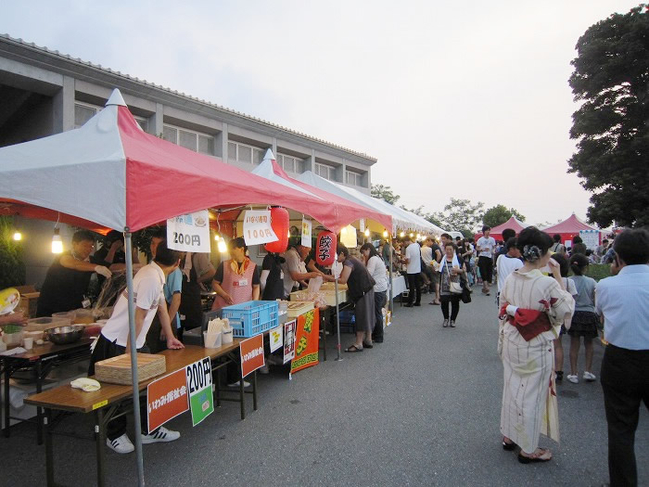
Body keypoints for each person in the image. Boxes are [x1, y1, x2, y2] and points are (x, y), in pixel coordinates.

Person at [89, 239, 184, 454]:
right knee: (116, 391)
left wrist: (169, 337)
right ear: (178, 263)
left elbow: (161, 307)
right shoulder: (151, 277)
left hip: (133, 341)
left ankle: (148, 430)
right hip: (118, 341)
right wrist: (130, 354)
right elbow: (138, 317)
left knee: (147, 386)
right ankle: (113, 435)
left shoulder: (155, 273)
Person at [498, 227, 574, 463]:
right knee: (531, 394)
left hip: (512, 337)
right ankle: (528, 448)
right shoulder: (546, 284)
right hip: (535, 343)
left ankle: (509, 436)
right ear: (542, 254)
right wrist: (558, 276)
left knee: (512, 387)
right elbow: (566, 310)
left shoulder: (512, 278)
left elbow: (503, 307)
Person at [596, 228, 649, 487]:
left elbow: (601, 314)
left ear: (616, 256)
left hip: (620, 360)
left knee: (621, 429)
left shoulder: (606, 285)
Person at [212, 237, 260, 387]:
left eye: (233, 250)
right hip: (225, 310)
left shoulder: (252, 266)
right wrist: (224, 294)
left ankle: (235, 378)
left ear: (241, 249)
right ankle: (216, 381)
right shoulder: (224, 265)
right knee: (221, 345)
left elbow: (256, 286)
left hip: (244, 312)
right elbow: (215, 284)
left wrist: (255, 302)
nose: (231, 254)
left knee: (239, 345)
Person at [36, 230, 113, 317]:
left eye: (91, 246)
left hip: (75, 309)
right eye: (84, 245)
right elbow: (74, 264)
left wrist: (130, 267)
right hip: (51, 308)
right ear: (74, 244)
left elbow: (112, 267)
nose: (88, 249)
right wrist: (96, 267)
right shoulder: (64, 256)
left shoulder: (91, 260)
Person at [566, 253, 599, 384]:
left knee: (574, 345)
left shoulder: (569, 281)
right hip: (589, 314)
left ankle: (573, 373)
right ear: (586, 267)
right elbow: (596, 299)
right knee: (589, 344)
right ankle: (588, 371)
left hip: (575, 314)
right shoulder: (591, 281)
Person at [337, 244, 375, 352]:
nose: (335, 259)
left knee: (362, 314)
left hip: (363, 290)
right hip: (368, 288)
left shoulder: (349, 262)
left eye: (336, 256)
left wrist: (326, 277)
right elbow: (342, 276)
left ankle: (359, 343)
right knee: (367, 314)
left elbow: (343, 279)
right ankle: (368, 339)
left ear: (342, 254)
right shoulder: (351, 259)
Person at [551, 253, 578, 383]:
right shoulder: (569, 281)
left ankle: (550, 370)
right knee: (558, 344)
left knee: (550, 344)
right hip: (563, 316)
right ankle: (559, 371)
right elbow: (573, 298)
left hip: (550, 316)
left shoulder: (548, 281)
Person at [360, 243, 388, 343]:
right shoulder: (377, 257)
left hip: (377, 288)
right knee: (377, 311)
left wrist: (363, 265)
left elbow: (368, 274)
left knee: (376, 312)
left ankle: (378, 336)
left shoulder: (372, 259)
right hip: (381, 287)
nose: (364, 255)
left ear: (368, 249)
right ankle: (377, 335)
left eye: (364, 252)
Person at [437, 242, 466, 328]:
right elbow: (438, 270)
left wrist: (458, 271)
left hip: (455, 284)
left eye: (450, 249)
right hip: (444, 285)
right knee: (444, 302)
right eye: (447, 250)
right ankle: (446, 318)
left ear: (454, 250)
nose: (448, 251)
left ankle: (453, 320)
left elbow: (464, 270)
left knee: (455, 302)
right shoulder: (443, 259)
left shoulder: (459, 259)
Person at [495, 238, 523, 304]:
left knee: (502, 313)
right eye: (519, 249)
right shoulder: (518, 262)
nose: (520, 251)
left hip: (501, 293)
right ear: (511, 249)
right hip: (513, 294)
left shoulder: (500, 258)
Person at [476, 225, 496, 296]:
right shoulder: (480, 239)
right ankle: (487, 288)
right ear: (484, 232)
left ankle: (485, 288)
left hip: (489, 257)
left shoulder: (492, 239)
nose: (488, 232)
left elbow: (494, 247)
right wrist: (483, 249)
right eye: (486, 230)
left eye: (489, 230)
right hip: (482, 257)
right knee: (483, 272)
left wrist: (493, 251)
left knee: (489, 272)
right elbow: (477, 248)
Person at [404, 235, 422, 307]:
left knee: (411, 287)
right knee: (417, 286)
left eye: (404, 242)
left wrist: (403, 261)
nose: (404, 244)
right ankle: (418, 301)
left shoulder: (408, 248)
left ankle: (410, 302)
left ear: (406, 241)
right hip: (417, 268)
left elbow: (408, 260)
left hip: (411, 270)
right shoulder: (417, 245)